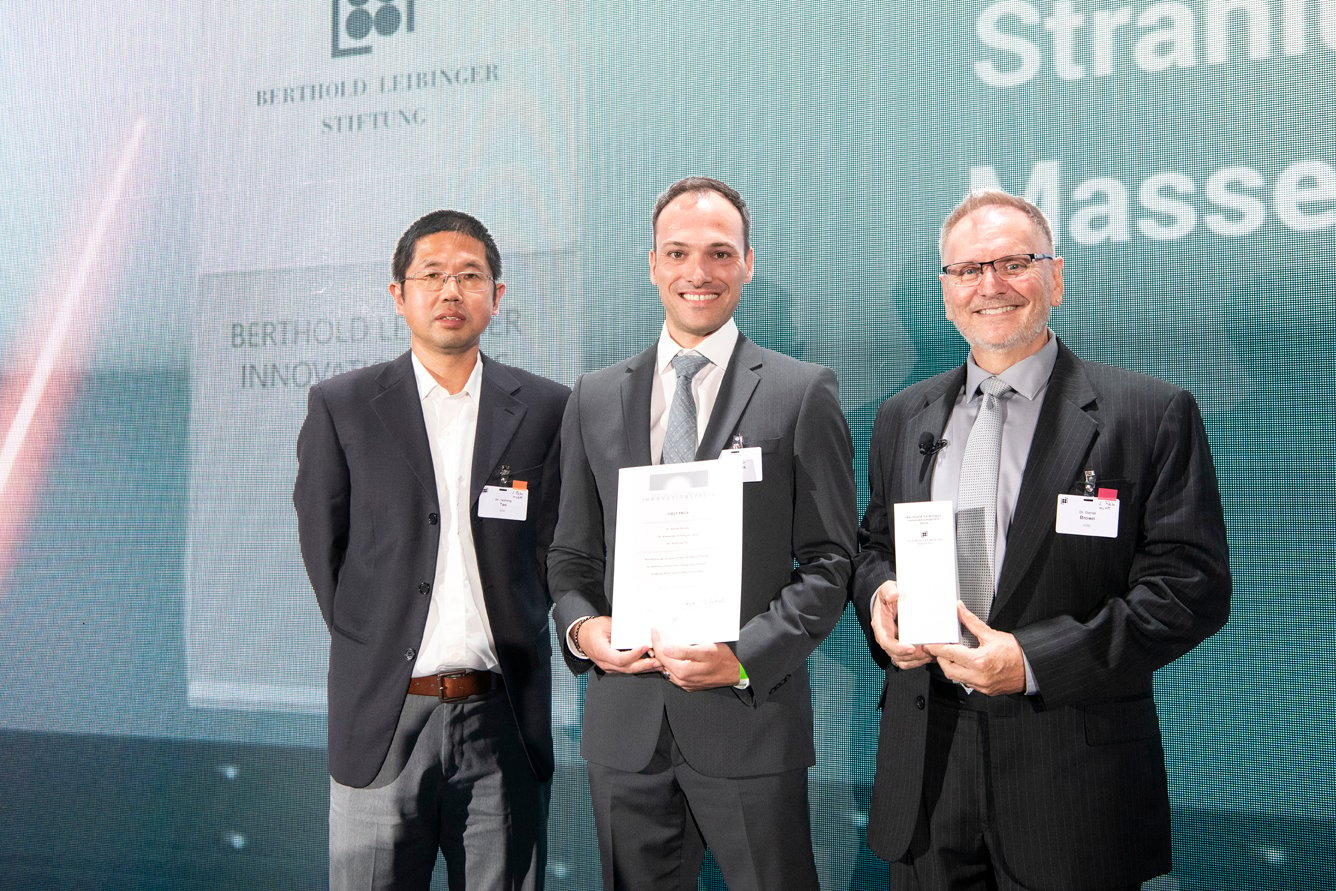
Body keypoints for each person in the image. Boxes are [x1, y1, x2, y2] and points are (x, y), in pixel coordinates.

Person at [853, 189, 1231, 890]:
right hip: (926, 775)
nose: (990, 285)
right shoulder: (903, 416)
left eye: (1013, 262)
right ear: (946, 293)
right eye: (968, 270)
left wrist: (1032, 659)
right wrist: (879, 593)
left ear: (1055, 276)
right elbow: (874, 544)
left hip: (1074, 786)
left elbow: (1191, 590)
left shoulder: (1147, 414)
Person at [548, 176, 856, 890]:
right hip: (625, 729)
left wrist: (743, 656)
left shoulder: (800, 391)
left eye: (720, 253)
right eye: (678, 252)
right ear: (651, 262)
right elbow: (569, 556)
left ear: (748, 262)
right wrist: (584, 632)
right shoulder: (595, 395)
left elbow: (830, 561)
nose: (698, 272)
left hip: (750, 721)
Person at [294, 210, 569, 890]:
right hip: (384, 716)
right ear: (399, 293)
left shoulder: (546, 408)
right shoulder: (344, 405)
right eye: (433, 275)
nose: (451, 291)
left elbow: (557, 548)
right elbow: (323, 548)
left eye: (470, 276)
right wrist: (379, 638)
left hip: (502, 715)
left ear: (497, 296)